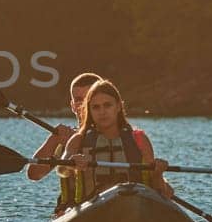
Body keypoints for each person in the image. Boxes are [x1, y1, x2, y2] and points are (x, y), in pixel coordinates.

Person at [60, 77, 173, 208]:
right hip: (92, 208)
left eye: (107, 105)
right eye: (96, 107)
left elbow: (159, 188)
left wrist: (158, 172)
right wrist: (71, 164)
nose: (102, 112)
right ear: (89, 111)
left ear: (118, 106)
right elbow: (61, 169)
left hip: (135, 205)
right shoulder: (78, 140)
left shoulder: (139, 138)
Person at [28, 71, 99, 214]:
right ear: (72, 106)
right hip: (73, 210)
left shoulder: (121, 136)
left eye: (89, 99)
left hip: (112, 203)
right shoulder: (64, 138)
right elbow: (34, 174)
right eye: (79, 100)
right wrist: (53, 140)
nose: (84, 105)